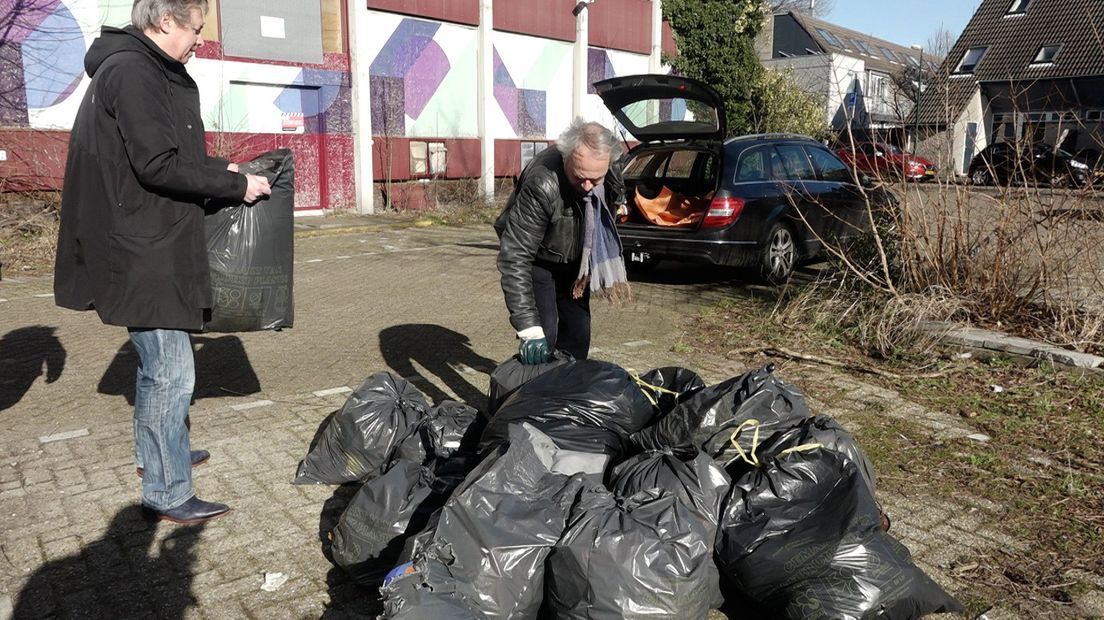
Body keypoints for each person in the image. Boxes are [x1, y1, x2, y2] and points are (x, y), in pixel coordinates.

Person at [53, 0, 271, 525]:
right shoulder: (133, 70)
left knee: (160, 368)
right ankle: (167, 490)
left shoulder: (144, 67)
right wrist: (235, 185)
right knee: (170, 374)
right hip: (141, 248)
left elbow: (163, 152)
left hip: (146, 240)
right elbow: (157, 164)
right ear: (164, 21)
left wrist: (223, 166)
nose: (199, 40)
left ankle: (161, 455)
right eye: (195, 29)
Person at [495, 118, 630, 365]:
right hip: (540, 258)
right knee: (544, 334)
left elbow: (616, 178)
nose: (588, 187)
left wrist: (619, 199)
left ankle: (565, 393)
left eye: (596, 179)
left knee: (578, 334)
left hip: (576, 263)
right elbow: (515, 255)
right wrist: (528, 328)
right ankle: (534, 393)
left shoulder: (609, 162)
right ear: (566, 157)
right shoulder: (543, 184)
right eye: (580, 177)